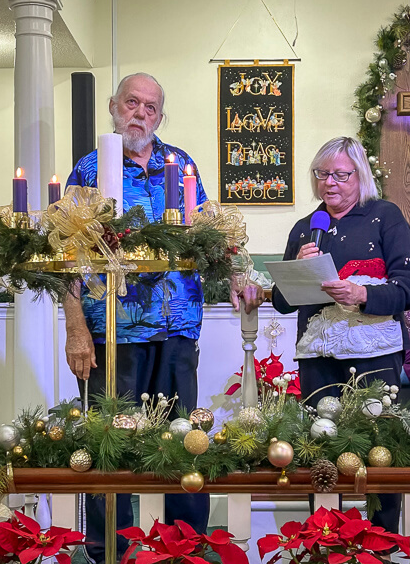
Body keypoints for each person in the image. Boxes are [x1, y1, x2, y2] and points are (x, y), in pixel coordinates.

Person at [64, 72, 265, 562]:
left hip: (178, 328)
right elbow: (69, 255)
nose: (140, 113)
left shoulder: (183, 165)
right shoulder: (89, 172)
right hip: (117, 332)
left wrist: (240, 273)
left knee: (185, 439)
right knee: (110, 442)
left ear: (159, 116)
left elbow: (212, 232)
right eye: (132, 102)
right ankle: (108, 548)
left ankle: (186, 547)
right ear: (114, 107)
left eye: (151, 107)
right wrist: (75, 329)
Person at [272, 136, 410, 538]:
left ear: (360, 175)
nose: (329, 183)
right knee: (320, 452)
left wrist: (363, 294)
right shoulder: (305, 228)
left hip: (376, 356)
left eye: (340, 174)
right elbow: (282, 302)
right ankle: (323, 541)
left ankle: (381, 543)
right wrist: (297, 267)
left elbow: (406, 287)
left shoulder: (387, 217)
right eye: (321, 174)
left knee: (380, 455)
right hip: (318, 359)